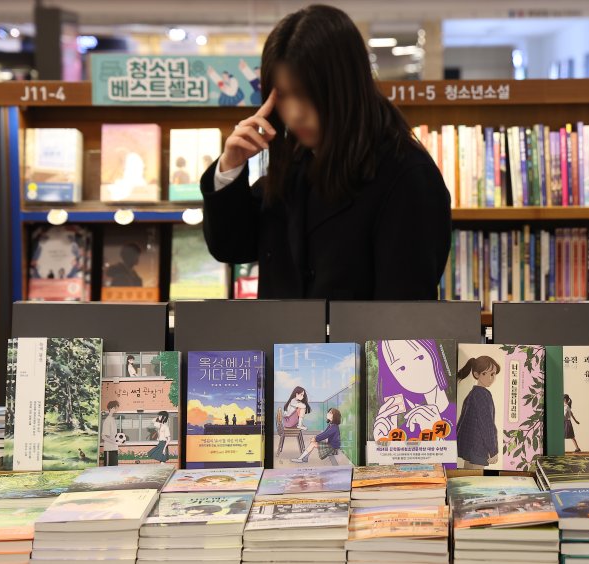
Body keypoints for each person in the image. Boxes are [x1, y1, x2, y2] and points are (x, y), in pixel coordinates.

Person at [201, 4, 451, 300]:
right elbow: (232, 247)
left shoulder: (406, 174)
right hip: (281, 331)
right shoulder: (294, 162)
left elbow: (403, 310)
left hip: (357, 334)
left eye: (306, 94)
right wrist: (230, 166)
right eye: (283, 95)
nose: (294, 113)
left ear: (343, 87)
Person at [456, 355, 500, 469]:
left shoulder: (472, 394)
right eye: (486, 374)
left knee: (467, 476)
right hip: (479, 446)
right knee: (475, 478)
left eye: (493, 374)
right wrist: (493, 450)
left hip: (469, 446)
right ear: (476, 374)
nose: (491, 378)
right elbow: (487, 424)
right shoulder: (482, 394)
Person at [101, 401, 120, 466]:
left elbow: (113, 436)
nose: (115, 410)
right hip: (109, 450)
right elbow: (104, 437)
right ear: (110, 408)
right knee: (108, 469)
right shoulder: (107, 420)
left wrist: (117, 442)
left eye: (116, 408)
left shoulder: (112, 419)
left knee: (115, 469)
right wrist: (115, 442)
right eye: (114, 408)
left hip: (115, 449)